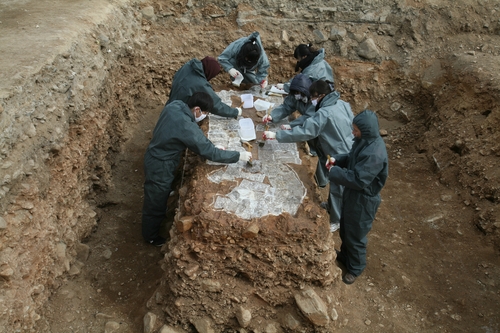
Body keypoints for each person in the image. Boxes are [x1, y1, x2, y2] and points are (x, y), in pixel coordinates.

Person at [142, 92, 252, 246]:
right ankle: (150, 236)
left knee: (160, 191)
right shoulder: (186, 126)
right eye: (205, 113)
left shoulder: (176, 105)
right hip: (161, 164)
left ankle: (164, 197)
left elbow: (189, 135)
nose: (204, 117)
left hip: (156, 154)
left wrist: (208, 144)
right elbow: (209, 152)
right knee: (155, 201)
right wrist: (237, 156)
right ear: (197, 109)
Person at [263, 80, 354, 232]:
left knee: (338, 186)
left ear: (322, 96)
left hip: (340, 151)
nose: (313, 100)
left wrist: (277, 135)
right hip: (347, 145)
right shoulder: (341, 103)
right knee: (335, 181)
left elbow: (307, 131)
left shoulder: (324, 113)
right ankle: (331, 206)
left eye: (314, 97)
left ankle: (336, 219)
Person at [325, 109, 389, 284]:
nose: (353, 132)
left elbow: (359, 179)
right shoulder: (363, 142)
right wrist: (338, 160)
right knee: (346, 228)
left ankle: (356, 267)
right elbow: (352, 158)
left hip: (363, 200)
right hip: (353, 195)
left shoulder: (375, 154)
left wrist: (335, 172)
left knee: (356, 235)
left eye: (355, 130)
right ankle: (346, 257)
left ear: (365, 130)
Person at [167, 56, 242, 118]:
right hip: (178, 113)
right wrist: (235, 112)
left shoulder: (189, 66)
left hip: (172, 101)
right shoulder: (199, 83)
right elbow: (214, 104)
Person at [262, 73, 318, 156]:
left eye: (298, 93)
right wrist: (272, 116)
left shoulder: (315, 100)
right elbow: (286, 107)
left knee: (314, 135)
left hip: (319, 125)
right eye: (295, 92)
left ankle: (316, 152)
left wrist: (291, 125)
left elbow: (308, 118)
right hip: (310, 120)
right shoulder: (296, 96)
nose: (296, 95)